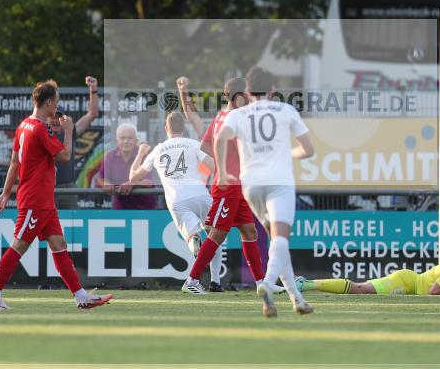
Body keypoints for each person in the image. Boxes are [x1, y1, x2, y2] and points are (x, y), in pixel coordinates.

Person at [0, 79, 112, 311]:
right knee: (18, 246)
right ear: (50, 102)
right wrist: (69, 132)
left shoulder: (24, 125)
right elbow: (64, 157)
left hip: (43, 200)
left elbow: (14, 163)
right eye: (57, 101)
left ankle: (81, 296)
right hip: (35, 199)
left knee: (59, 244)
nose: (58, 106)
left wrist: (5, 193)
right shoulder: (41, 128)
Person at [215, 65, 316, 317]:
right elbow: (309, 150)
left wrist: (222, 172)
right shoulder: (286, 110)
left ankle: (297, 299)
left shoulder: (238, 115)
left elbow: (219, 139)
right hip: (279, 181)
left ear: (247, 91)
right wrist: (291, 153)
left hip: (251, 183)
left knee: (276, 243)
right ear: (272, 90)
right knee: (281, 239)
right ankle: (268, 284)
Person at [178, 75, 277, 295]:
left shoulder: (221, 117)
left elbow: (204, 147)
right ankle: (192, 281)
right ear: (240, 96)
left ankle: (261, 282)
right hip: (229, 186)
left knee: (250, 231)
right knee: (217, 234)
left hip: (237, 186)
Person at [129, 111, 223, 291]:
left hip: (177, 199)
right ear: (185, 128)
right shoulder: (193, 144)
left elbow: (133, 177)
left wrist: (140, 153)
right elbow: (214, 167)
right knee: (215, 235)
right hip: (199, 193)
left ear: (166, 128)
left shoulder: (158, 150)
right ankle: (216, 281)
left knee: (190, 235)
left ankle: (193, 240)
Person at [297, 238, 440, 296]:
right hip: (408, 282)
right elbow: (431, 292)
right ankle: (306, 285)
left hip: (411, 284)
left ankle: (305, 284)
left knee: (360, 288)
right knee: (359, 289)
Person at [53, 76, 100, 210]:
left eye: (60, 117)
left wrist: (93, 90)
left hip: (69, 189)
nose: (56, 120)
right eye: (53, 117)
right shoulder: (40, 135)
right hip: (46, 189)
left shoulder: (69, 132)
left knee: (73, 226)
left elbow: (92, 114)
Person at [95, 124, 158, 210]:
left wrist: (132, 183)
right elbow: (100, 179)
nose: (126, 141)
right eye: (122, 138)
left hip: (145, 209)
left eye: (129, 138)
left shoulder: (143, 155)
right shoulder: (110, 156)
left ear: (136, 141)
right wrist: (107, 184)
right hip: (120, 209)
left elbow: (149, 182)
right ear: (117, 141)